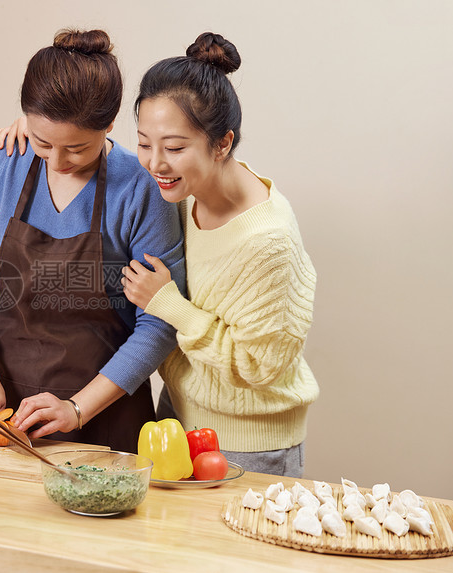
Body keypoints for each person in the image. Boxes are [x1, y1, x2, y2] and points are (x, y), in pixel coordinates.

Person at [0, 29, 185, 453]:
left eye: (77, 148)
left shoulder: (140, 187)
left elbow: (160, 321)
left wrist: (77, 408)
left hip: (109, 424)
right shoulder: (1, 161)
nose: (56, 161)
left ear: (108, 125)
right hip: (6, 417)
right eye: (42, 141)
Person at [120, 32, 319, 477]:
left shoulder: (267, 241)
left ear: (223, 143)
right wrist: (29, 134)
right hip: (175, 419)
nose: (154, 163)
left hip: (248, 442)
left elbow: (259, 365)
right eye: (144, 143)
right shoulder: (181, 192)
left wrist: (168, 304)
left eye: (174, 148)